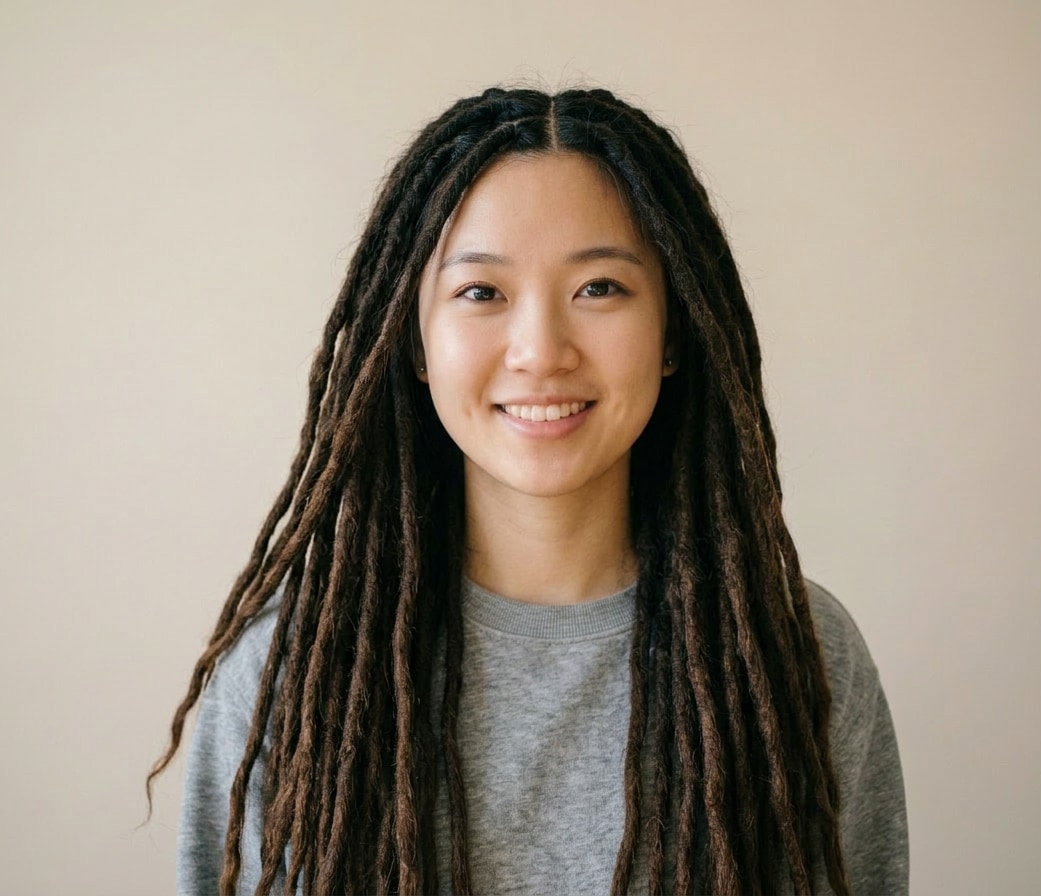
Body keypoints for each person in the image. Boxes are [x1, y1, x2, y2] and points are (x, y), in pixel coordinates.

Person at [148, 86, 908, 895]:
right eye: (482, 293)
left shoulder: (798, 654)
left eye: (600, 289)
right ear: (412, 340)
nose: (541, 351)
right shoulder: (284, 677)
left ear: (673, 332)